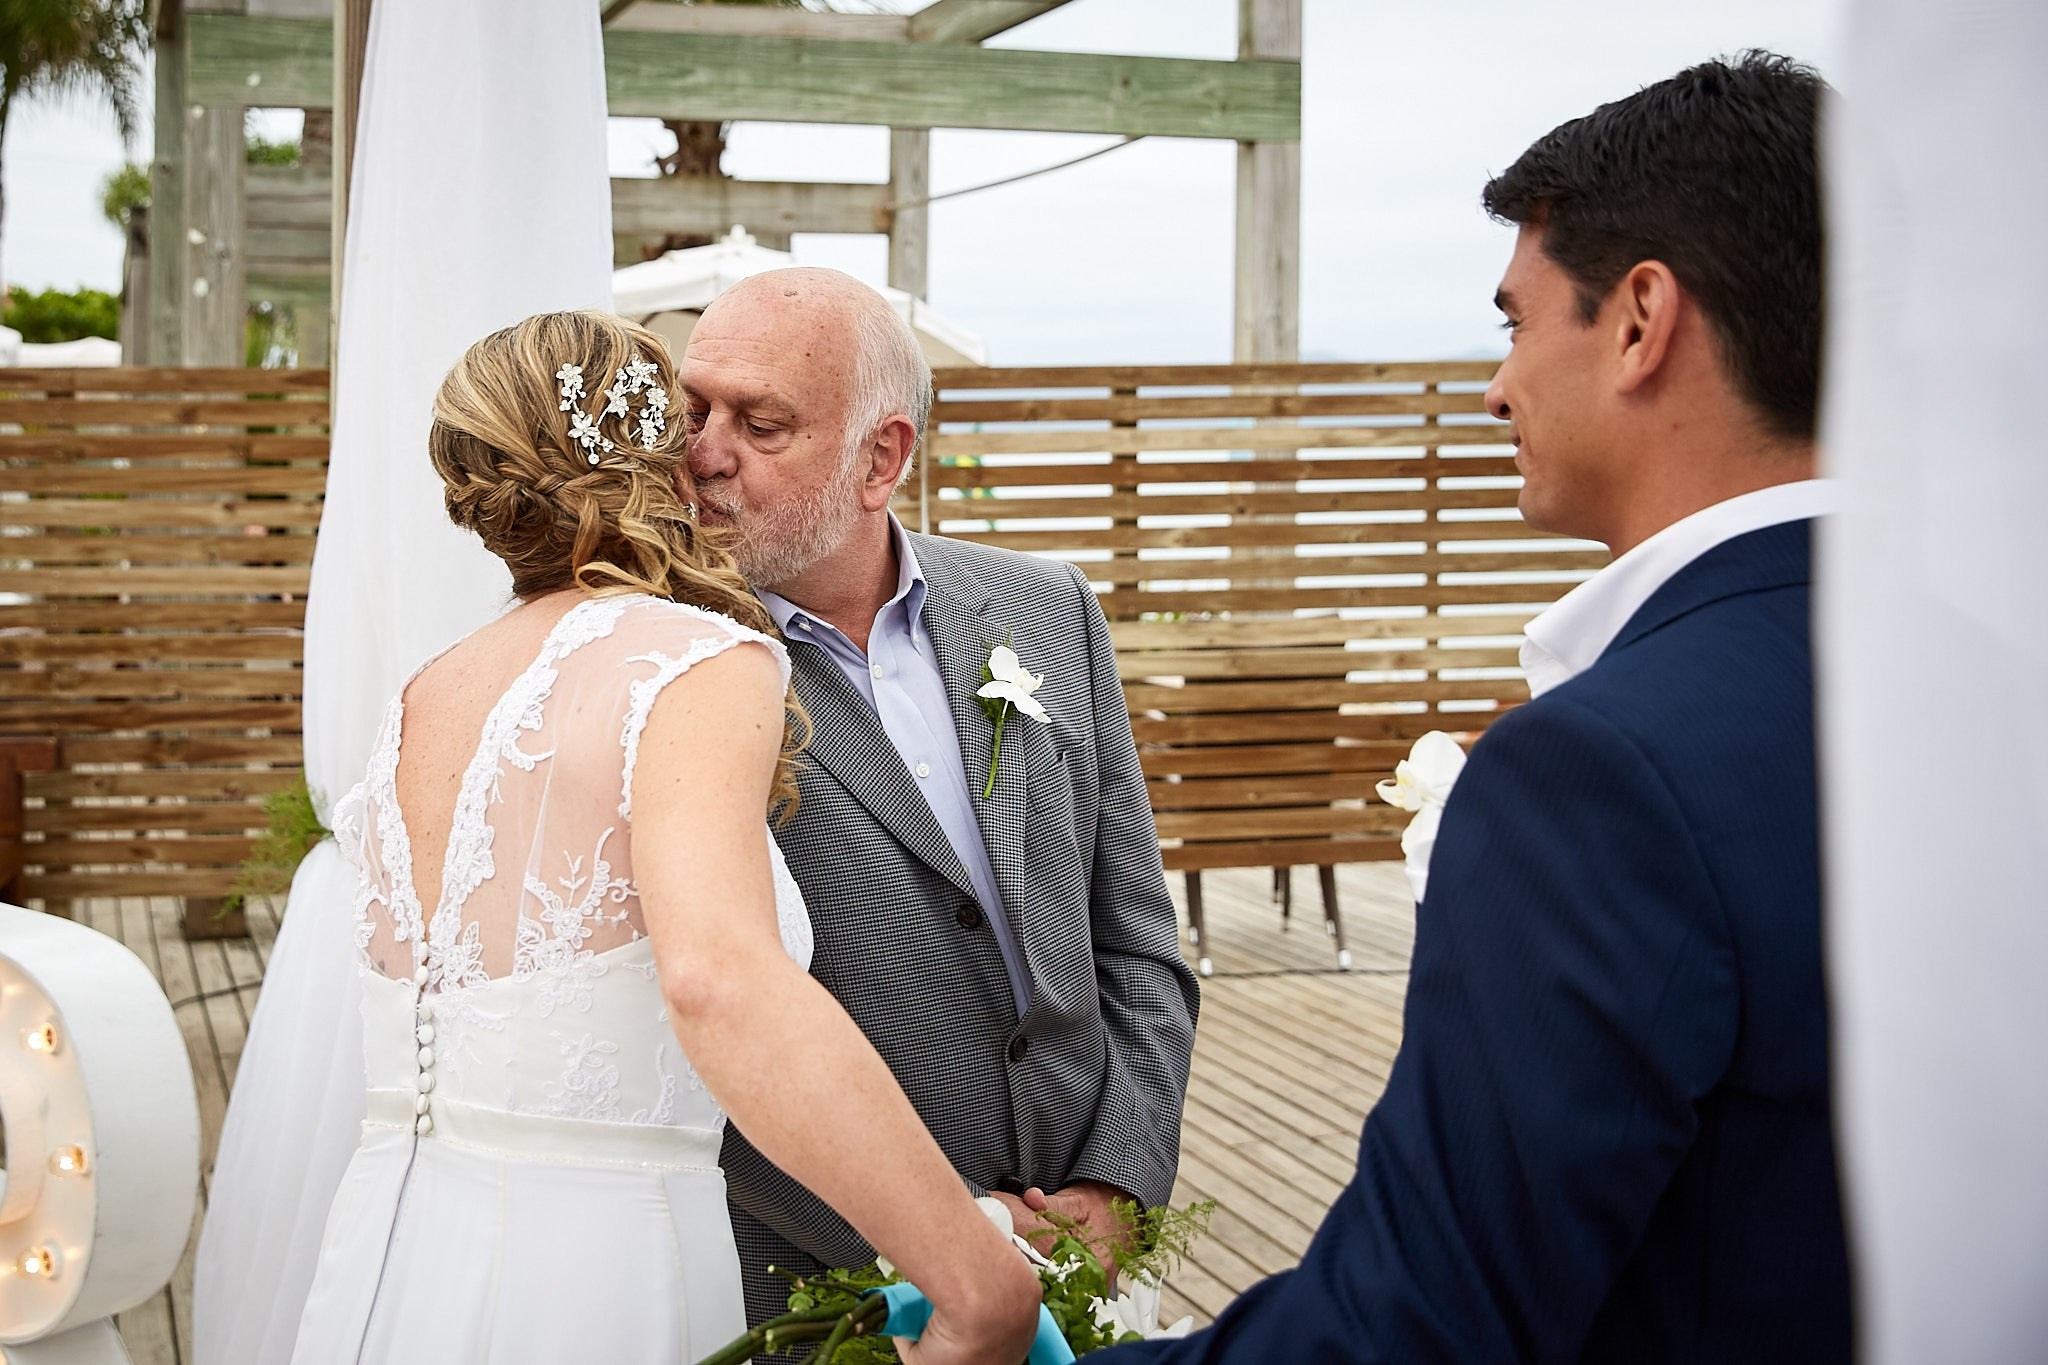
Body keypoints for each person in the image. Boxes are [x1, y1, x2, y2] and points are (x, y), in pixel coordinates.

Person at [1107, 52, 1849, 1363]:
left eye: (1516, 321)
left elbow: (1419, 1329)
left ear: (1639, 320)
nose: (1497, 386)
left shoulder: (1603, 772)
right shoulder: (1987, 678)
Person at [288, 311, 1040, 1364]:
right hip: (595, 1271)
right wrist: (969, 1271)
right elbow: (718, 981)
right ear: (660, 454)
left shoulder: (425, 694)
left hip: (397, 1246)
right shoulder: (687, 660)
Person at [678, 268, 1202, 1326]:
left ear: (882, 459)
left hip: (1077, 1266)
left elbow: (1137, 945)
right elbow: (681, 1010)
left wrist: (1113, 1191)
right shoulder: (668, 657)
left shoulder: (1044, 604)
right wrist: (934, 1254)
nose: (703, 451)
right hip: (815, 1286)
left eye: (759, 422)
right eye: (694, 408)